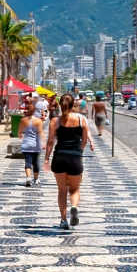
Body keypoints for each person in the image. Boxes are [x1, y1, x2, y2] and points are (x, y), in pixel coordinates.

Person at [45, 92, 94, 230]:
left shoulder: (55, 121)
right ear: (73, 105)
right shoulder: (81, 120)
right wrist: (79, 151)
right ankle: (74, 207)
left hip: (59, 157)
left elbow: (50, 142)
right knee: (74, 189)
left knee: (62, 190)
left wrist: (46, 159)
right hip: (75, 158)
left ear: (60, 105)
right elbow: (84, 140)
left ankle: (63, 220)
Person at [17, 98, 43, 185]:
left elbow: (19, 133)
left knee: (27, 162)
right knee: (36, 163)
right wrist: (43, 143)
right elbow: (40, 133)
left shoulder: (23, 120)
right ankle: (36, 179)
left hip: (26, 144)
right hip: (36, 145)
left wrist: (20, 135)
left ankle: (28, 178)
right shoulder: (38, 121)